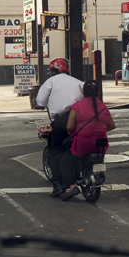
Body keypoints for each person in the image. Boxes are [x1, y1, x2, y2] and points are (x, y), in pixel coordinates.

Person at [59, 80, 116, 201]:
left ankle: (72, 186)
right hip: (101, 144)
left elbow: (69, 127)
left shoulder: (77, 106)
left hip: (82, 144)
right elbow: (112, 125)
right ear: (98, 92)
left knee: (65, 163)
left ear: (83, 91)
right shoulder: (104, 107)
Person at [35, 58, 84, 198]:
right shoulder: (78, 82)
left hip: (62, 120)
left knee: (55, 151)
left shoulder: (51, 82)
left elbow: (40, 101)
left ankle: (58, 185)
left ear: (53, 70)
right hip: (79, 119)